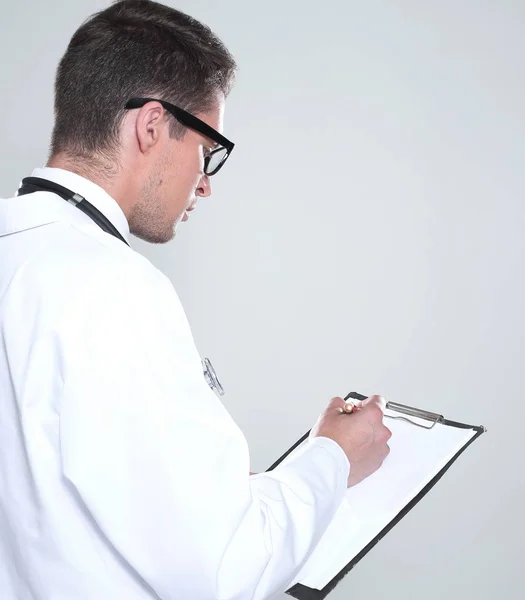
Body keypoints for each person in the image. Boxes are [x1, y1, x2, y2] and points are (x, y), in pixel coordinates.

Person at [0, 1, 391, 599]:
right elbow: (226, 570)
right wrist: (332, 460)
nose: (205, 181)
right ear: (151, 126)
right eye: (208, 150)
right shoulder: (116, 289)